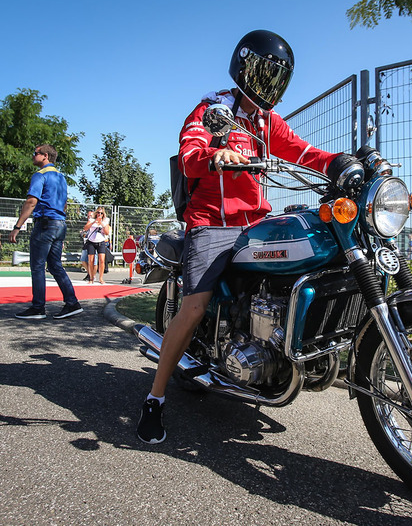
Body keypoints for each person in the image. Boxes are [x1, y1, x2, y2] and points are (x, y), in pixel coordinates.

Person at [137, 30, 343, 444]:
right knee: (194, 306)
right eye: (265, 75)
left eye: (278, 79)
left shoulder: (268, 122)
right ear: (244, 69)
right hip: (213, 221)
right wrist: (217, 154)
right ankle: (154, 399)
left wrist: (343, 161)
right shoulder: (213, 109)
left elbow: (303, 152)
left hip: (253, 223)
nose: (270, 87)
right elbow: (191, 153)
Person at [9, 145, 83, 319]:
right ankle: (72, 303)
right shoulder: (61, 177)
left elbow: (31, 202)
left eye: (35, 153)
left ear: (46, 156)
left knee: (37, 266)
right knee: (55, 265)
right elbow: (64, 204)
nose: (33, 156)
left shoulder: (40, 175)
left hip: (45, 224)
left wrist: (17, 226)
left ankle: (38, 308)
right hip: (59, 223)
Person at [83, 207, 111, 284]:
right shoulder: (91, 220)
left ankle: (101, 278)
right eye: (98, 212)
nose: (99, 214)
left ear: (103, 214)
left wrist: (101, 223)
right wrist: (94, 222)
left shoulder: (105, 221)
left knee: (101, 260)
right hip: (91, 241)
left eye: (101, 213)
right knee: (91, 260)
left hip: (101, 241)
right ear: (96, 213)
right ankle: (91, 278)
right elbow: (85, 228)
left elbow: (107, 232)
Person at [80, 210, 96, 281]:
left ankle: (93, 275)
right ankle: (90, 273)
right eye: (88, 216)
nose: (89, 217)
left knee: (93, 261)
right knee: (83, 259)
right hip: (86, 243)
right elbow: (85, 230)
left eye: (90, 216)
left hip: (93, 243)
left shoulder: (95, 223)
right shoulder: (88, 223)